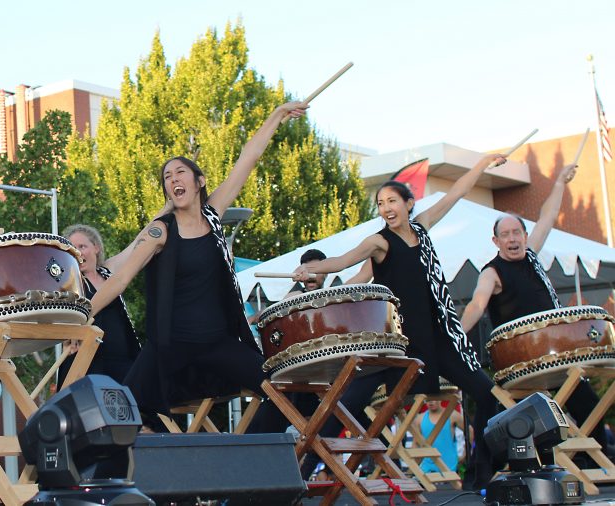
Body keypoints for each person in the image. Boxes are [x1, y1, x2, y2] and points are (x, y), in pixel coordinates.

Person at [293, 153, 508, 489]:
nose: (386, 207)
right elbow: (342, 260)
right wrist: (310, 270)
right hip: (396, 340)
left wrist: (481, 165)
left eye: (392, 200)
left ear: (409, 204)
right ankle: (302, 471)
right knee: (348, 403)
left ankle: (481, 472)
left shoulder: (422, 227)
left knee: (485, 392)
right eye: (380, 203)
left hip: (438, 335)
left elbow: (455, 195)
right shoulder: (380, 242)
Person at [90, 100, 309, 426]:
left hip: (217, 342)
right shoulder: (159, 231)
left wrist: (277, 114)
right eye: (167, 176)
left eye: (180, 172)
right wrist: (83, 315)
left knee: (284, 390)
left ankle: (248, 458)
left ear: (199, 181)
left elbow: (248, 158)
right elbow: (120, 280)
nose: (173, 178)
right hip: (170, 345)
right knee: (124, 412)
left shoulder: (213, 213)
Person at [459, 163, 612, 453]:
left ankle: (595, 460)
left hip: (555, 353)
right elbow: (477, 305)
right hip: (520, 361)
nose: (513, 239)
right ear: (496, 241)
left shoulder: (531, 256)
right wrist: (456, 334)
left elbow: (548, 216)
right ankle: (482, 469)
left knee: (588, 403)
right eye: (506, 234)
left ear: (525, 237)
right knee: (496, 411)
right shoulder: (491, 272)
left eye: (517, 232)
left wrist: (558, 183)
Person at [58, 224, 141, 385]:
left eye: (82, 246)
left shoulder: (108, 272)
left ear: (96, 247)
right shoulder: (69, 283)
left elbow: (138, 243)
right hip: (86, 364)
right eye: (72, 248)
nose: (78, 252)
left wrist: (168, 209)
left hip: (122, 362)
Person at [414, 398, 465, 473]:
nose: (431, 401)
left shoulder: (452, 415)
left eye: (434, 398)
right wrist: (414, 465)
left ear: (440, 399)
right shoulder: (419, 418)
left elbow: (470, 431)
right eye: (428, 399)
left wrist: (464, 455)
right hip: (427, 469)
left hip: (449, 468)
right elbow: (415, 443)